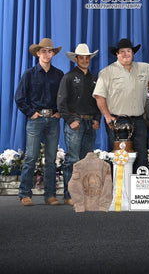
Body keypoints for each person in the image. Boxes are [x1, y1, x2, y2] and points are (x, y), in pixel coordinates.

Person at [93, 38, 149, 173]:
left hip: (138, 120)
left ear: (133, 53)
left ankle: (137, 192)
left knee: (142, 155)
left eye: (128, 51)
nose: (126, 54)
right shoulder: (107, 72)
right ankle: (119, 192)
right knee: (120, 156)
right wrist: (107, 116)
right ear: (117, 54)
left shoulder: (144, 68)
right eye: (122, 52)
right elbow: (99, 96)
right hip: (117, 120)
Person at [15, 38, 64, 206]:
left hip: (53, 120)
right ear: (38, 53)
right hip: (36, 120)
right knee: (31, 157)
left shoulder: (59, 75)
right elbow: (19, 98)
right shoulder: (29, 74)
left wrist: (59, 112)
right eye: (43, 51)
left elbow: (62, 98)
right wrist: (31, 113)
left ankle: (50, 195)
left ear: (53, 54)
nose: (47, 54)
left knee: (51, 159)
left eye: (50, 51)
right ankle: (24, 194)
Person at [57, 43, 101, 206]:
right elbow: (61, 103)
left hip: (90, 122)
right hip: (75, 121)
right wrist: (70, 120)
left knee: (86, 159)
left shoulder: (94, 78)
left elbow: (98, 100)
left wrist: (97, 119)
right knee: (73, 159)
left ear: (90, 59)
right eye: (81, 58)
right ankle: (70, 194)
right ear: (76, 59)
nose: (84, 60)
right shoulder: (68, 77)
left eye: (87, 58)